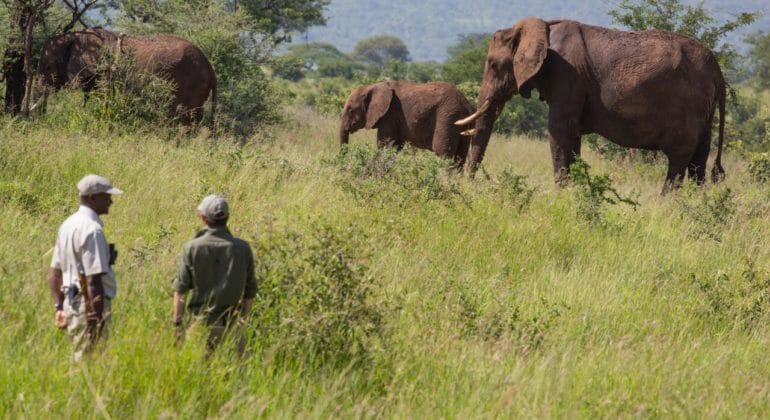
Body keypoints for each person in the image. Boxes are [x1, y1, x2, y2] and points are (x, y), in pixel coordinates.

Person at [48, 174, 122, 361]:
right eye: (106, 196)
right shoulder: (92, 230)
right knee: (90, 362)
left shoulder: (67, 225)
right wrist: (95, 321)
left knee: (79, 357)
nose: (111, 201)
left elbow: (54, 272)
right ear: (92, 198)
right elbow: (93, 280)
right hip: (87, 305)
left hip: (71, 303)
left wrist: (59, 307)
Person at [172, 194, 257, 353]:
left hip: (200, 327)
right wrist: (240, 322)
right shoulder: (243, 248)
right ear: (227, 217)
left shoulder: (192, 247)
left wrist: (177, 326)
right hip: (231, 328)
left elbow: (180, 292)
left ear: (203, 218)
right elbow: (250, 294)